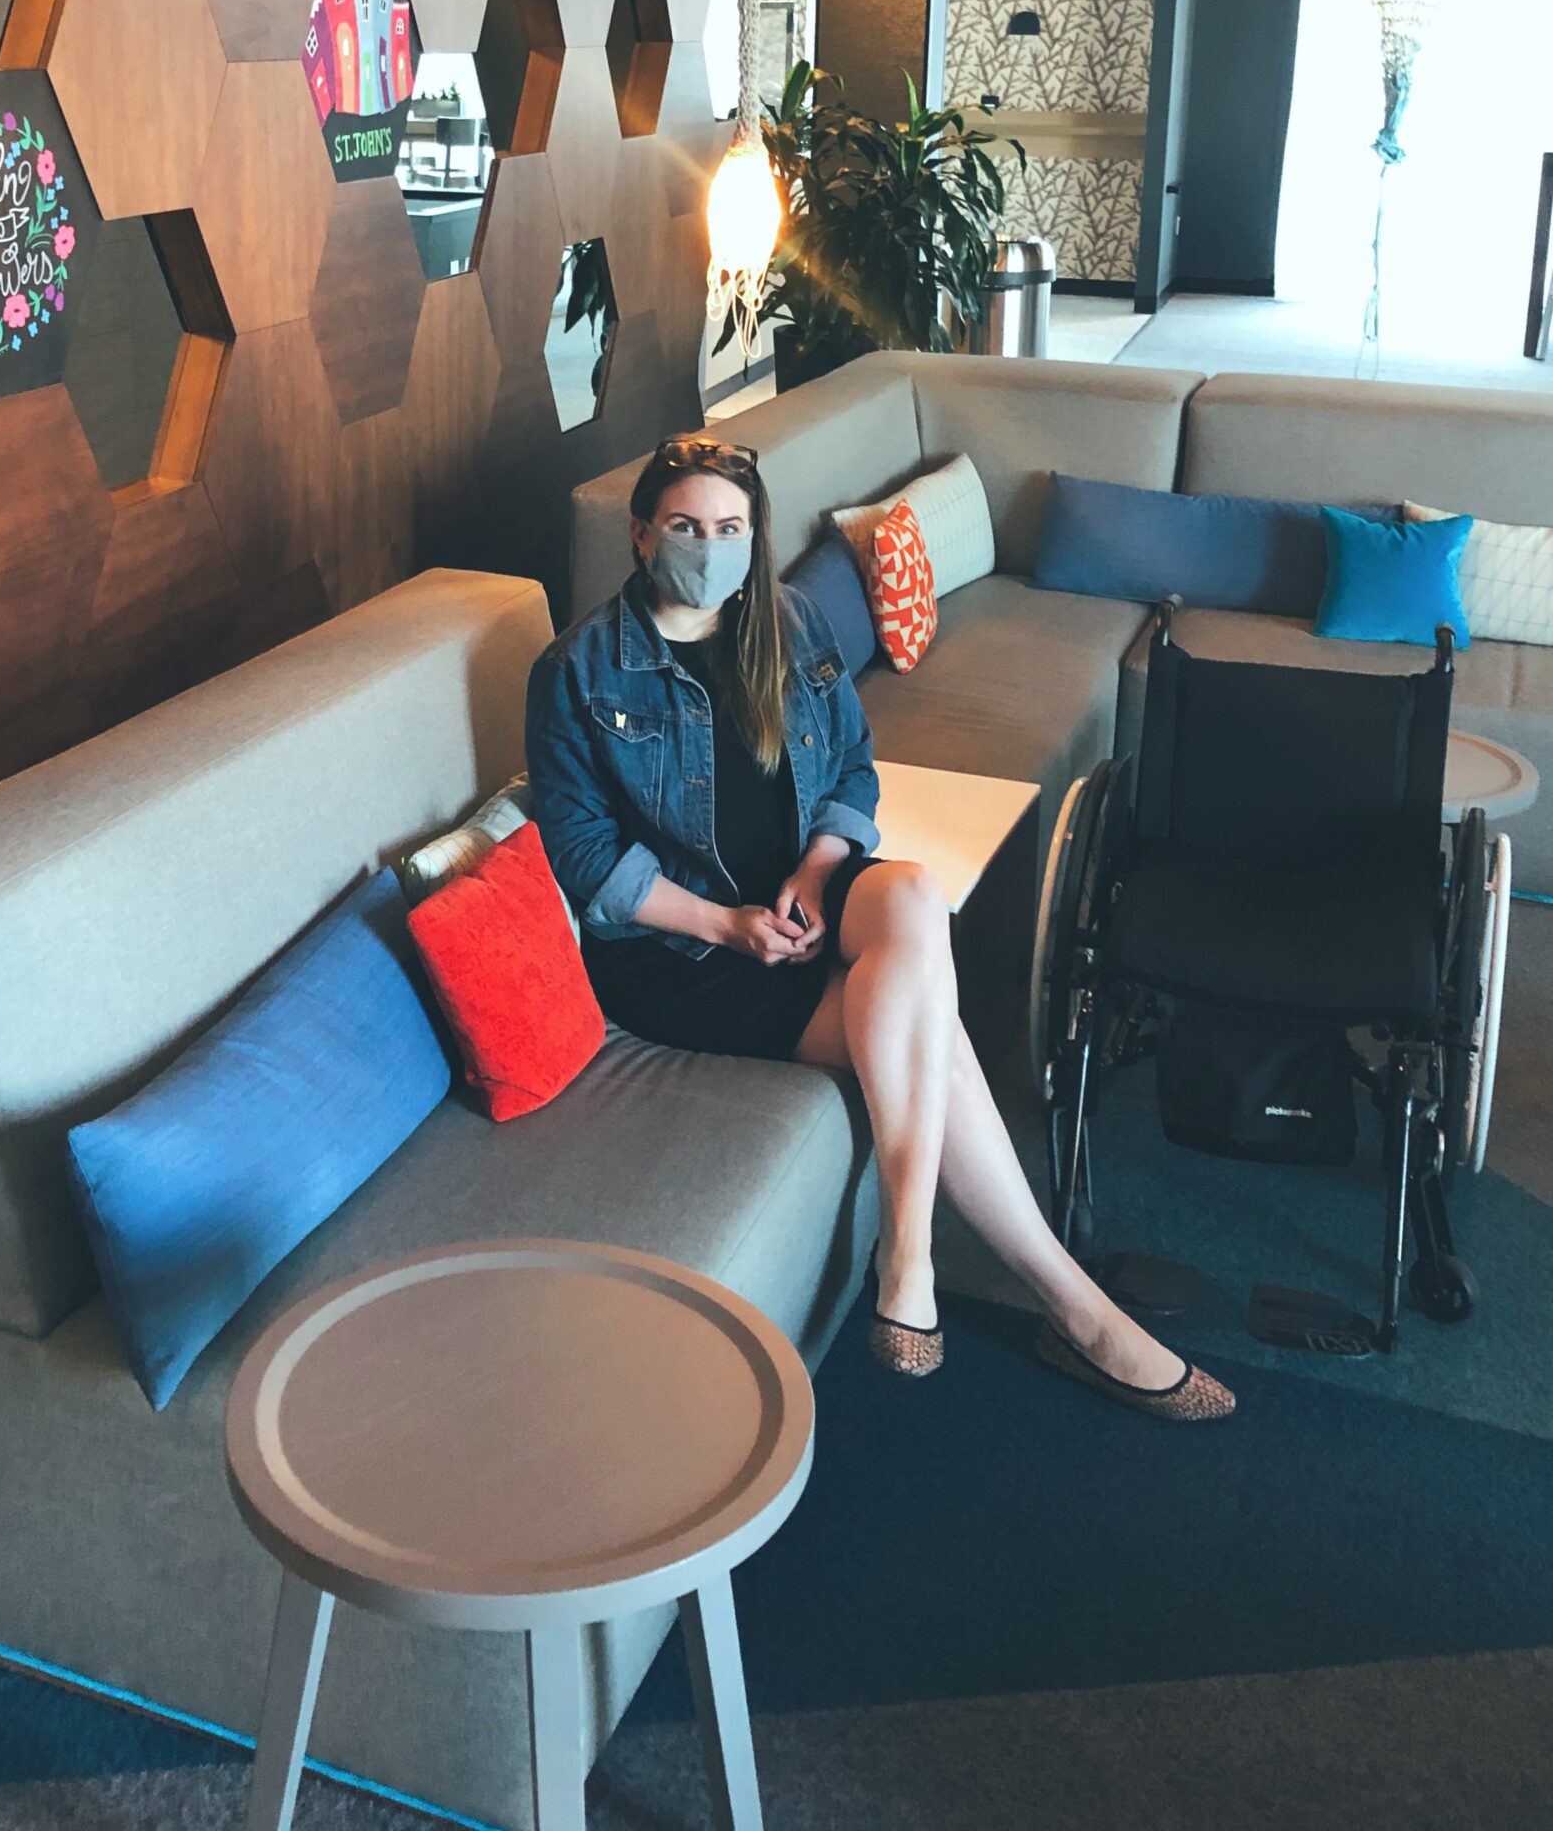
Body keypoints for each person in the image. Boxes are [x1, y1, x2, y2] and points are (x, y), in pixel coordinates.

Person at [525, 432, 1233, 1422]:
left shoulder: (790, 620)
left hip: (808, 896)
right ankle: (1077, 1310)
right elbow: (586, 859)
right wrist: (728, 925)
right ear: (643, 535)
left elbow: (853, 772)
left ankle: (910, 1246)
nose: (710, 545)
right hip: (686, 953)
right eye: (686, 526)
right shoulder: (578, 672)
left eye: (731, 528)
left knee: (910, 893)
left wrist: (818, 870)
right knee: (925, 1028)